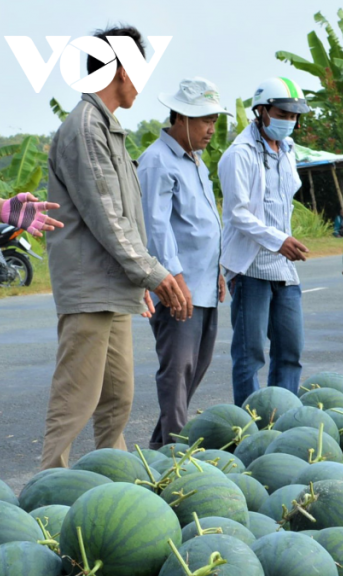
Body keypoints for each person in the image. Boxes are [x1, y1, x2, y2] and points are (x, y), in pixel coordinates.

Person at [41, 25, 186, 469]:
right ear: (121, 69)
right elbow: (106, 217)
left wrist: (136, 276)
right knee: (76, 399)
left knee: (117, 398)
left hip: (112, 285)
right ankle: (47, 491)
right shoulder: (85, 129)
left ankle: (114, 483)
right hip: (89, 287)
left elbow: (124, 219)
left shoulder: (109, 128)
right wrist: (153, 273)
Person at [138, 78, 231, 448]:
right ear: (180, 117)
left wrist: (218, 269)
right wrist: (174, 277)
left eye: (213, 120)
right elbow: (156, 224)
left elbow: (205, 222)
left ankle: (162, 446)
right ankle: (175, 449)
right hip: (178, 286)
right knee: (177, 370)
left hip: (204, 283)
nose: (211, 129)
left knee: (197, 366)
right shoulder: (157, 161)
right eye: (204, 120)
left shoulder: (196, 161)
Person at [220, 77, 311, 407]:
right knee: (250, 355)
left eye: (294, 116)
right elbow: (238, 214)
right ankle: (249, 426)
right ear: (261, 111)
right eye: (283, 113)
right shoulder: (238, 155)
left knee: (290, 352)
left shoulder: (287, 151)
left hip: (284, 268)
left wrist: (282, 243)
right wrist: (278, 240)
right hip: (251, 267)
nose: (290, 121)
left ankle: (283, 418)